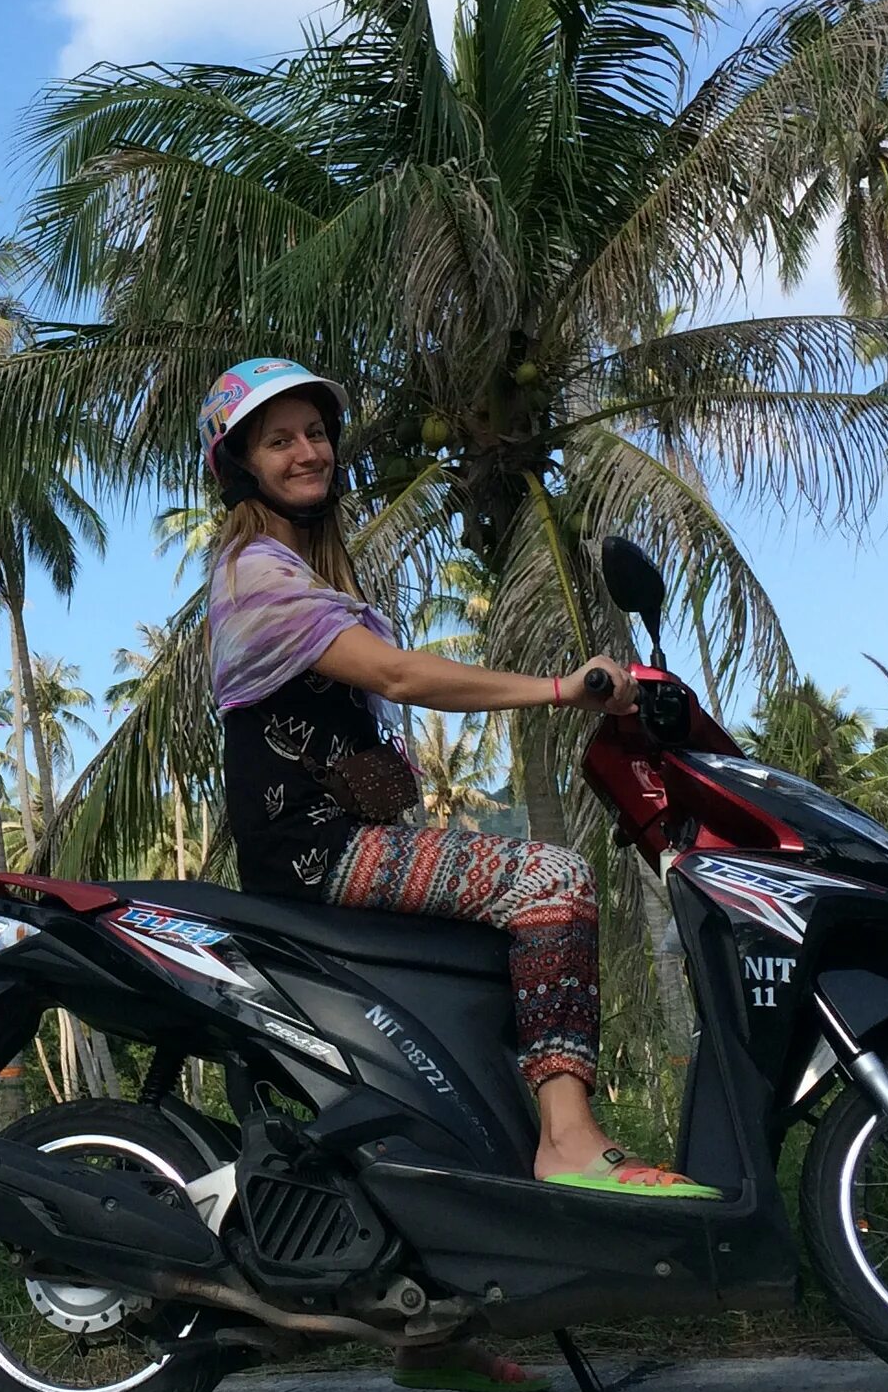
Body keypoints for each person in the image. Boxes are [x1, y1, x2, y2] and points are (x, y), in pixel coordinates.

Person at [199, 358, 711, 1202]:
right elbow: (398, 677)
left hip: (342, 837)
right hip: (312, 851)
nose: (308, 452)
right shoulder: (256, 572)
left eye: (317, 433)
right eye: (280, 440)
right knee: (549, 877)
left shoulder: (309, 576)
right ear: (242, 466)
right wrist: (558, 691)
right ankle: (570, 1142)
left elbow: (353, 723)